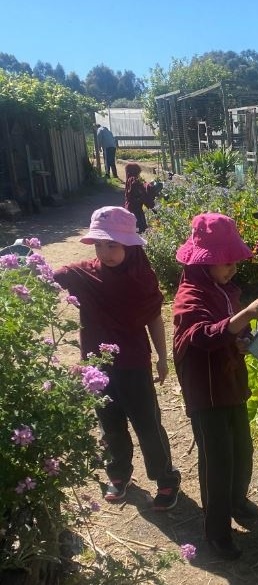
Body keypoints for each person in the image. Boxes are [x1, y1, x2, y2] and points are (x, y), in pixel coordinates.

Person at [53, 206, 181, 509]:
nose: (104, 252)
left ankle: (165, 478)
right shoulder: (85, 273)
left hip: (134, 364)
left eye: (112, 244)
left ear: (130, 246)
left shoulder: (142, 278)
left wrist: (162, 358)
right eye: (99, 244)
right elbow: (48, 275)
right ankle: (119, 474)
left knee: (148, 424)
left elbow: (152, 318)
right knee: (109, 424)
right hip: (97, 367)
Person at [172, 212, 258, 560]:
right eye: (224, 261)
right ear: (204, 262)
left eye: (233, 261)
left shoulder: (227, 289)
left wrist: (246, 337)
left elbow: (232, 330)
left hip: (230, 382)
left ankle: (237, 501)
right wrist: (243, 317)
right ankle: (217, 531)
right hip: (206, 391)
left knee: (241, 449)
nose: (231, 268)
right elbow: (199, 336)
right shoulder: (190, 295)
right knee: (216, 460)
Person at [123, 163, 162, 233]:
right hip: (136, 213)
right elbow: (143, 197)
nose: (139, 175)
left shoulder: (129, 180)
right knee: (139, 231)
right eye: (138, 173)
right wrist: (155, 209)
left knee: (131, 231)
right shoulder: (134, 181)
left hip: (129, 210)